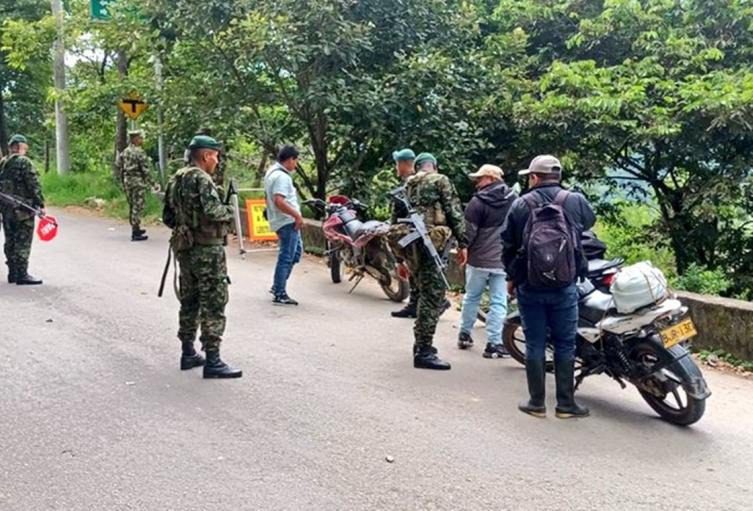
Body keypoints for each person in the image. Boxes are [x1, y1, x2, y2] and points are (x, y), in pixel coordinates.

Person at [501, 154, 595, 418]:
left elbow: (507, 244)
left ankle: (536, 403)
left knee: (535, 342)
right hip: (565, 285)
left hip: (530, 286)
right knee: (566, 343)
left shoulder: (521, 205)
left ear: (534, 177)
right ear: (558, 176)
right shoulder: (574, 200)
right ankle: (566, 405)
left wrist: (512, 278)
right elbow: (588, 223)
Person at [163, 135, 242, 379]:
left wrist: (187, 225)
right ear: (206, 155)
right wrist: (230, 209)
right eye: (215, 156)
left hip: (185, 250)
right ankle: (213, 360)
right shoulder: (202, 179)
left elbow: (168, 217)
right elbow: (214, 211)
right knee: (214, 303)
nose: (217, 161)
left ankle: (188, 352)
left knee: (190, 300)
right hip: (208, 250)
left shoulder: (176, 179)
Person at [404, 152, 467, 370]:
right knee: (432, 297)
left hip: (412, 246)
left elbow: (397, 217)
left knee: (423, 294)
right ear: (435, 166)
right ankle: (423, 350)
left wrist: (400, 257)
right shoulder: (441, 180)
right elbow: (454, 212)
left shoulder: (408, 184)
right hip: (434, 245)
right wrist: (464, 243)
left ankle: (419, 345)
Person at [456, 164, 517, 358]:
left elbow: (469, 232)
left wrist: (463, 248)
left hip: (478, 259)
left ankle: (465, 334)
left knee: (472, 296)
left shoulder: (477, 202)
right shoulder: (515, 200)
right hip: (502, 261)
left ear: (490, 179)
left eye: (480, 179)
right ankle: (494, 344)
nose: (476, 183)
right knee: (499, 302)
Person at [391, 149, 452, 319]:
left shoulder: (418, 184)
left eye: (398, 163)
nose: (396, 167)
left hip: (430, 235)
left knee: (426, 273)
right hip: (414, 234)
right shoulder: (410, 183)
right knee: (416, 272)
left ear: (405, 164)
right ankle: (414, 304)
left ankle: (437, 302)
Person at [0, 134, 44, 285]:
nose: (26, 149)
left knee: (10, 240)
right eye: (25, 147)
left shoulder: (3, 163)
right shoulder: (24, 162)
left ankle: (12, 273)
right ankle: (22, 274)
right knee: (23, 241)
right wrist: (40, 204)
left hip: (6, 209)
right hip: (23, 210)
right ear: (18, 146)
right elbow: (33, 184)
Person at [264, 145, 304, 305]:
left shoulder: (271, 172)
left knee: (295, 253)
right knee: (286, 257)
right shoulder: (282, 177)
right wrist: (297, 216)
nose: (296, 165)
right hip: (287, 221)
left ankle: (277, 285)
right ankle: (280, 292)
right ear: (290, 160)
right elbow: (279, 200)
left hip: (283, 220)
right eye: (296, 161)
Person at [119, 130, 155, 241]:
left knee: (132, 205)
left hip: (127, 181)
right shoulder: (139, 152)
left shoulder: (124, 152)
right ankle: (135, 232)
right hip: (137, 181)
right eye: (140, 138)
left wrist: (123, 181)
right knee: (138, 206)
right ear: (135, 139)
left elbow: (119, 166)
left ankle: (136, 227)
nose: (141, 140)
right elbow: (145, 170)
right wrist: (153, 183)